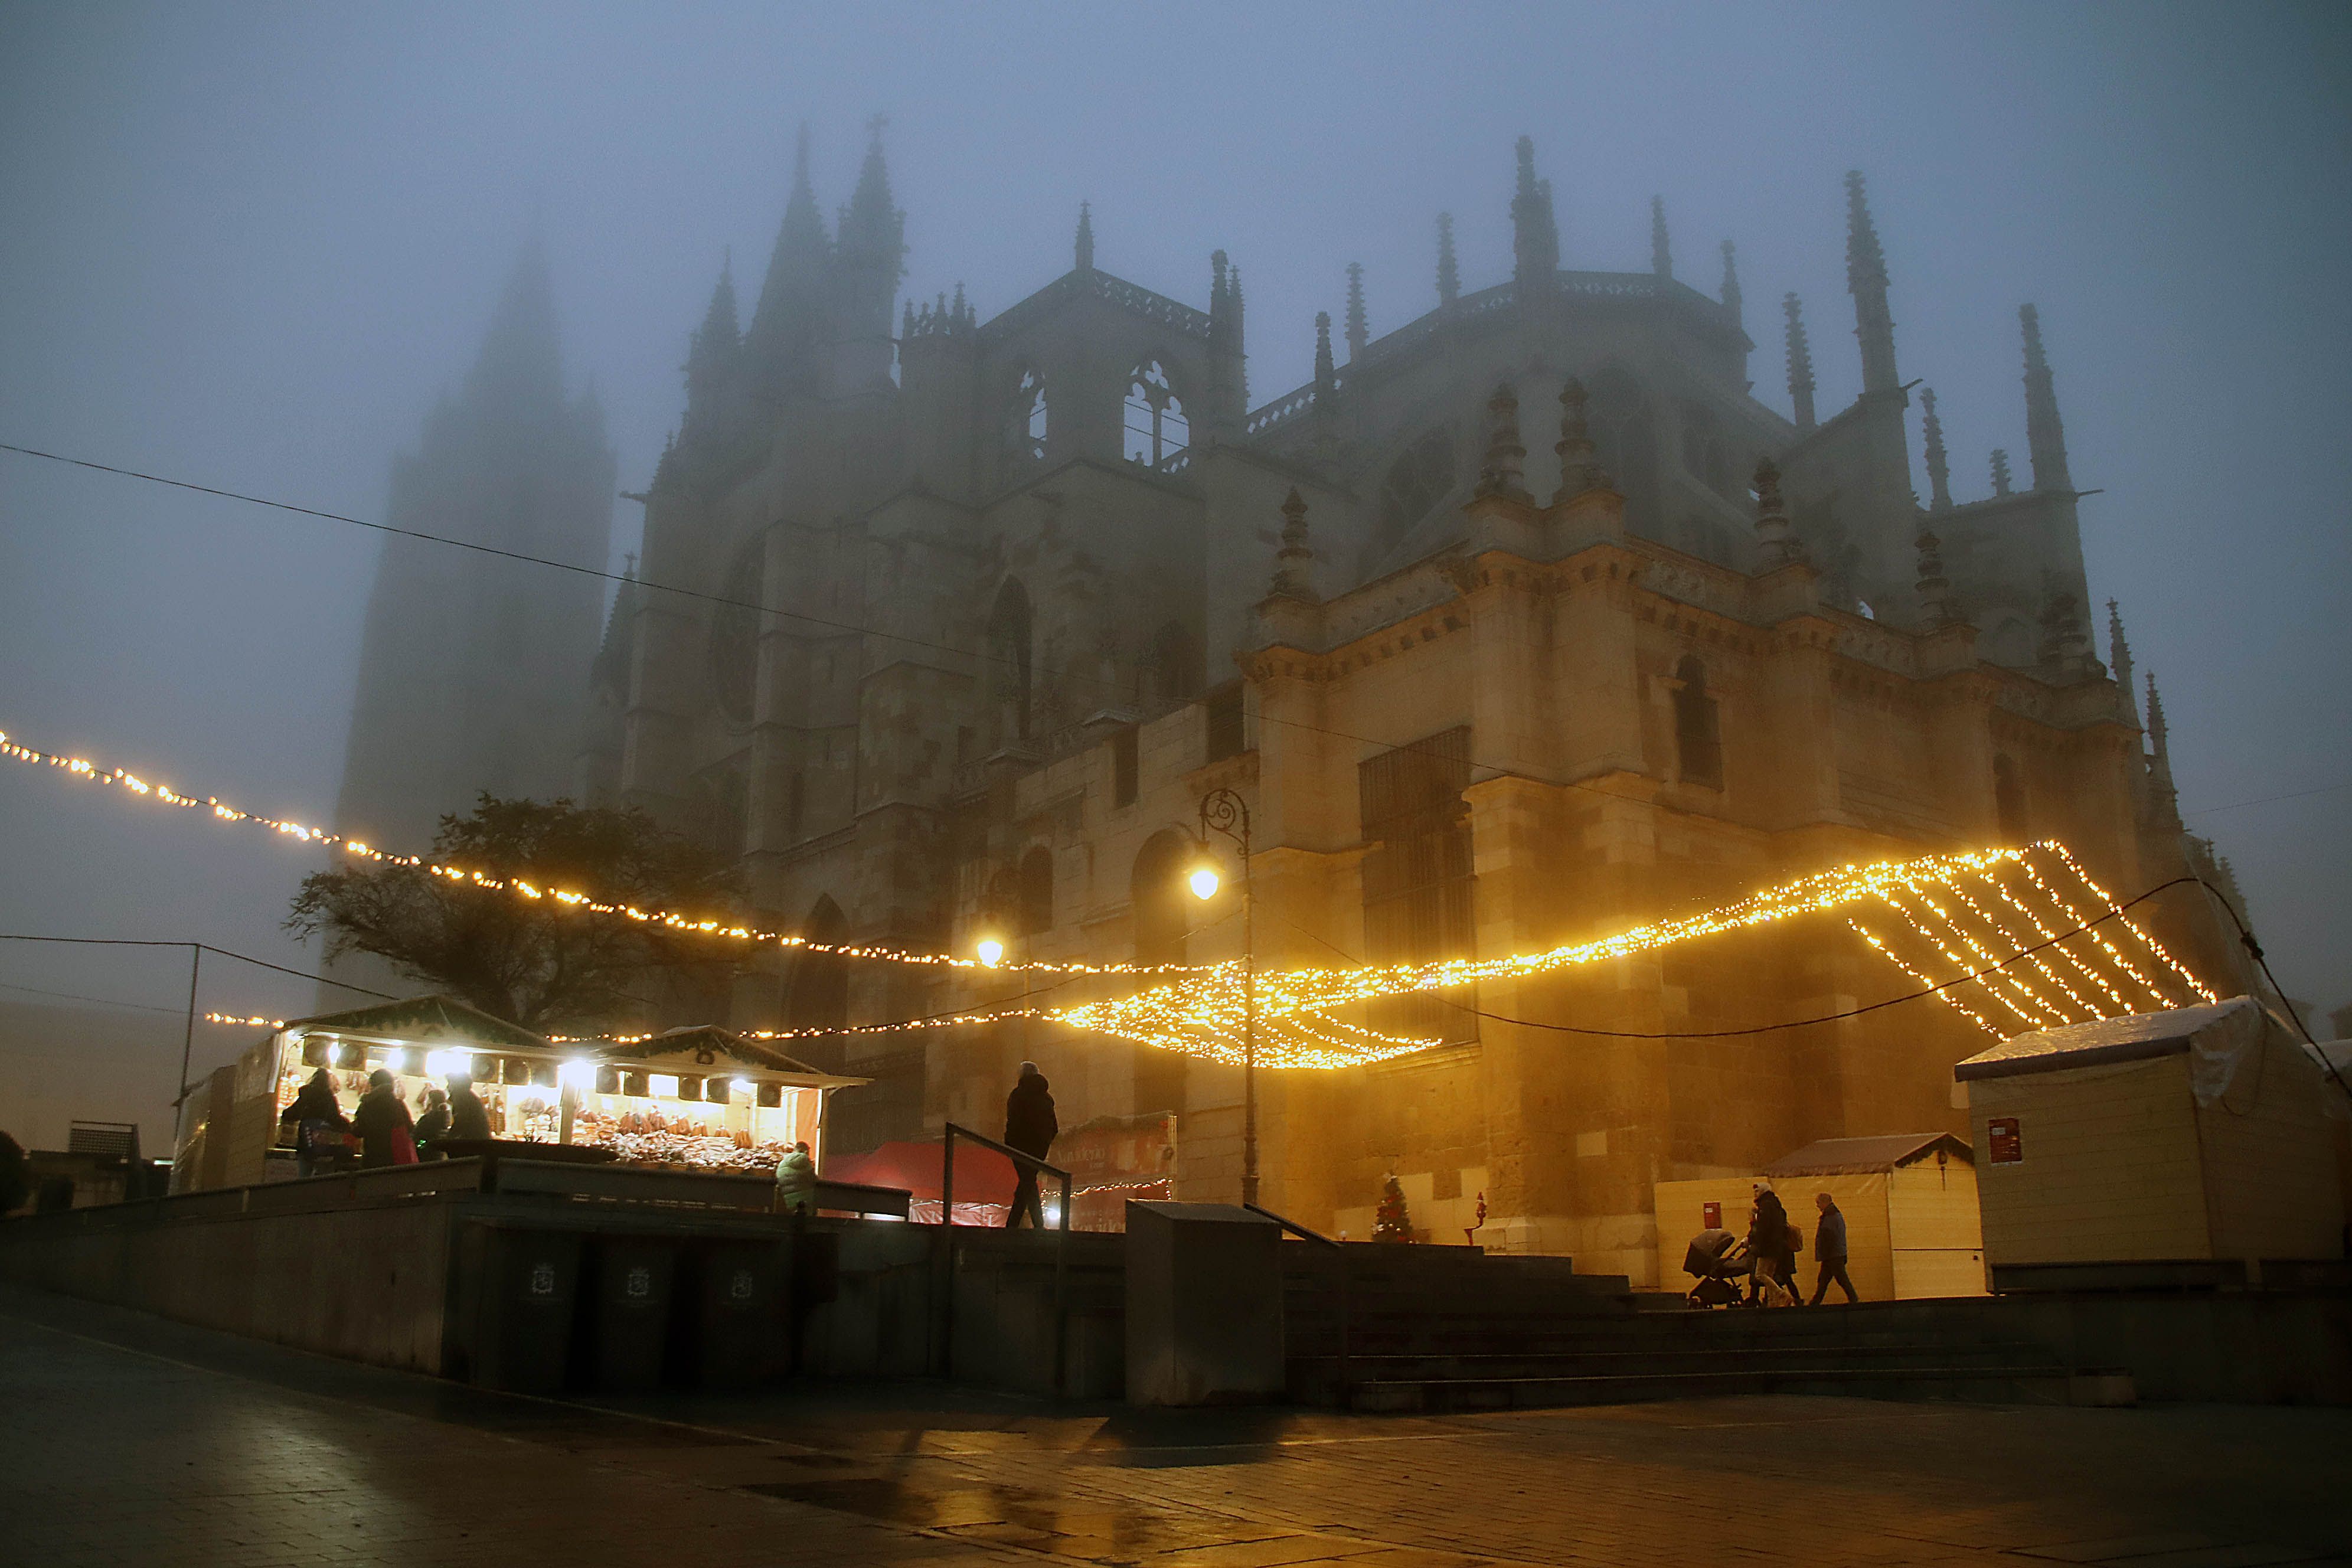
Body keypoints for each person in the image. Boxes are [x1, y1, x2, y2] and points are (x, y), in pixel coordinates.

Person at [1001, 1060, 1058, 1229]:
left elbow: (1013, 1123)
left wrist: (1009, 1143)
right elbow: (1054, 1127)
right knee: (1027, 1183)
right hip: (1040, 1149)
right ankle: (1017, 1224)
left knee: (1027, 1183)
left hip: (1020, 1147)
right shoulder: (1047, 1098)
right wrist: (1045, 1142)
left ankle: (1030, 1225)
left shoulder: (1018, 1095)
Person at [279, 1067, 351, 1177]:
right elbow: (335, 1119)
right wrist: (348, 1125)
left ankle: (302, 1192)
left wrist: (284, 1114)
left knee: (303, 1175)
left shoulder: (306, 1095)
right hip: (323, 1145)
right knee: (323, 1177)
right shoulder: (329, 1097)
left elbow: (292, 1114)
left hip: (305, 1143)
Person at [350, 1069, 414, 1168]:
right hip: (395, 1157)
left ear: (372, 1084)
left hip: (372, 1157)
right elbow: (410, 1128)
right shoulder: (398, 1105)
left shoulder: (367, 1105)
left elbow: (358, 1132)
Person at [1747, 1182, 1796, 1305]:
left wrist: (1753, 1237)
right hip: (1777, 1248)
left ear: (1763, 1192)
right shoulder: (1775, 1205)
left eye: (1757, 1191)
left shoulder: (1766, 1206)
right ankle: (1773, 1303)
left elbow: (1763, 1229)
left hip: (1767, 1247)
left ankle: (1782, 1295)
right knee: (1769, 1276)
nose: (1755, 1194)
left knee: (1760, 1275)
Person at [1809, 1191, 1858, 1305]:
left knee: (1837, 1279)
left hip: (1832, 1255)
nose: (1817, 1206)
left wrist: (1823, 1252)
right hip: (1835, 1253)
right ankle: (1815, 1302)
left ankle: (1854, 1299)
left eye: (1818, 1203)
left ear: (1825, 1202)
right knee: (1826, 1280)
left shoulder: (1830, 1216)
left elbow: (1828, 1235)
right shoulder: (1835, 1214)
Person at [446, 1073, 492, 1144]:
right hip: (479, 1140)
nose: (448, 1087)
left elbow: (461, 1122)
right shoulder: (469, 1095)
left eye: (450, 1083)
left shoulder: (462, 1097)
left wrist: (446, 1139)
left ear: (457, 1085)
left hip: (475, 1142)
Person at [773, 1140, 816, 1214]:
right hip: (805, 1203)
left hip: (786, 1202)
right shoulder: (805, 1160)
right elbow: (814, 1179)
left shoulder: (783, 1162)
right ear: (806, 1152)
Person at [413, 1088, 451, 1160]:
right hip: (437, 1154)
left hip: (425, 1155)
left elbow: (419, 1137)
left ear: (430, 1101)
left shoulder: (430, 1119)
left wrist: (419, 1146)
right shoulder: (445, 1116)